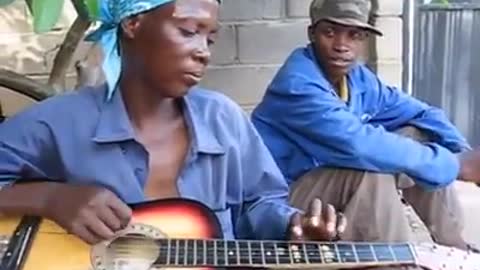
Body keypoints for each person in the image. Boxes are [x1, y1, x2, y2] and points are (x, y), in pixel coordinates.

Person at [0, 0, 346, 245]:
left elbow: (257, 204)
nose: (204, 51)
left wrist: (292, 225)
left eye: (209, 39)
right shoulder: (58, 122)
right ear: (132, 24)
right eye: (188, 31)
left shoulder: (224, 118)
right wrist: (49, 199)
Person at [251, 0, 480, 252]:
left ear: (364, 40)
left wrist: (460, 149)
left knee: (416, 135)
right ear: (312, 34)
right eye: (330, 33)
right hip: (281, 206)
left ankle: (456, 250)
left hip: (324, 188)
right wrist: (457, 165)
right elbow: (358, 145)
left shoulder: (357, 78)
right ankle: (395, 262)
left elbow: (421, 112)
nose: (341, 46)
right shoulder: (297, 84)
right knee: (370, 171)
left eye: (354, 35)